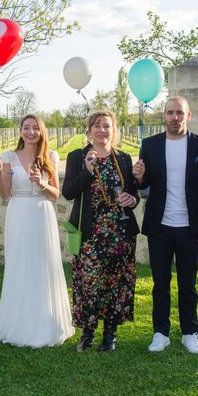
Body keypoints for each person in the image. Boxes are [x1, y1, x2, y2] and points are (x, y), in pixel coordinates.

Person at [132, 96, 198, 354]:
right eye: (170, 113)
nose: (174, 117)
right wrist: (138, 178)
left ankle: (190, 333)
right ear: (164, 116)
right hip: (159, 226)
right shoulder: (150, 145)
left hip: (190, 228)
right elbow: (143, 184)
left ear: (188, 116)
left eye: (179, 113)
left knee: (188, 284)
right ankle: (161, 333)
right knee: (160, 283)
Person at [0, 115, 75, 347]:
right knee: (21, 265)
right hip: (19, 214)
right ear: (20, 131)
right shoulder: (8, 157)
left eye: (35, 128)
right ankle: (19, 323)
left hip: (43, 214)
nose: (30, 132)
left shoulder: (50, 157)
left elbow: (57, 195)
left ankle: (48, 322)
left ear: (41, 131)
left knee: (43, 265)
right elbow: (5, 194)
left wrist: (42, 183)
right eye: (26, 128)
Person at [62, 110, 140, 352]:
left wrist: (132, 199)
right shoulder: (78, 156)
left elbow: (134, 192)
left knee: (115, 283)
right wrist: (86, 170)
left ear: (113, 130)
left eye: (106, 126)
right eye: (96, 126)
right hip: (90, 234)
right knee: (89, 284)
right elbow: (69, 192)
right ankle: (87, 333)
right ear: (89, 130)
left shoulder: (124, 159)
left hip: (120, 233)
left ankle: (110, 334)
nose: (101, 130)